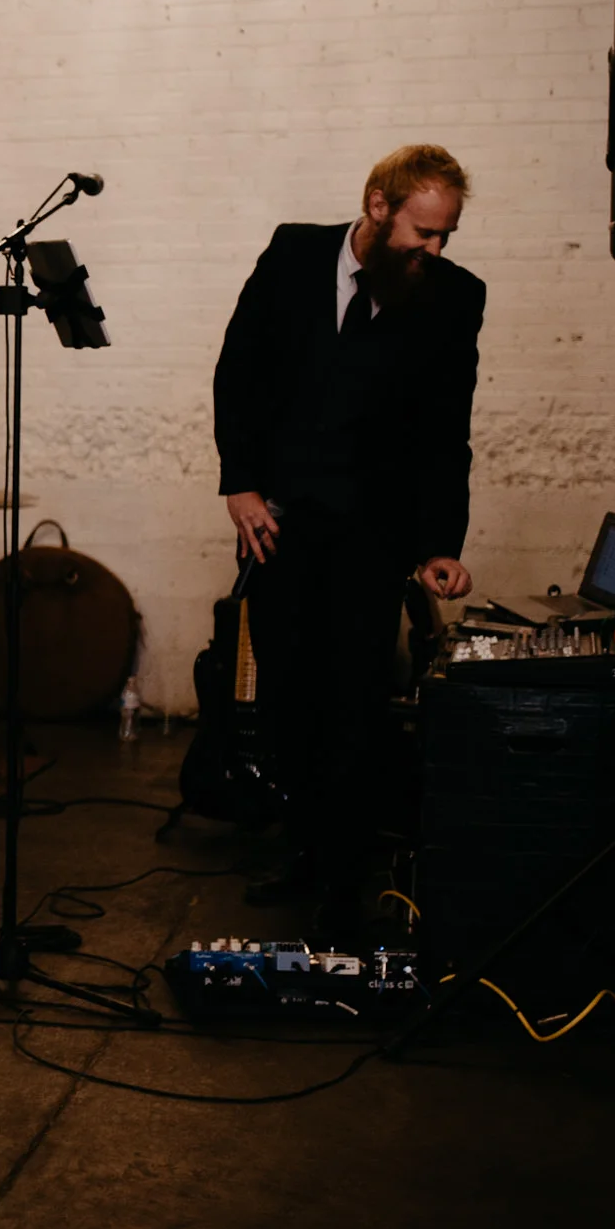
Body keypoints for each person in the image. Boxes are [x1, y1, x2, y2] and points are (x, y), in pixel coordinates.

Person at [211, 144, 486, 942]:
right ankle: (302, 849)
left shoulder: (454, 296)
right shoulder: (294, 252)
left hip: (373, 531)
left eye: (447, 235)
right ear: (377, 206)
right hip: (278, 524)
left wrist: (440, 541)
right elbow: (239, 372)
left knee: (355, 705)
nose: (435, 251)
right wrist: (240, 484)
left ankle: (344, 877)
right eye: (423, 233)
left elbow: (447, 431)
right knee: (288, 697)